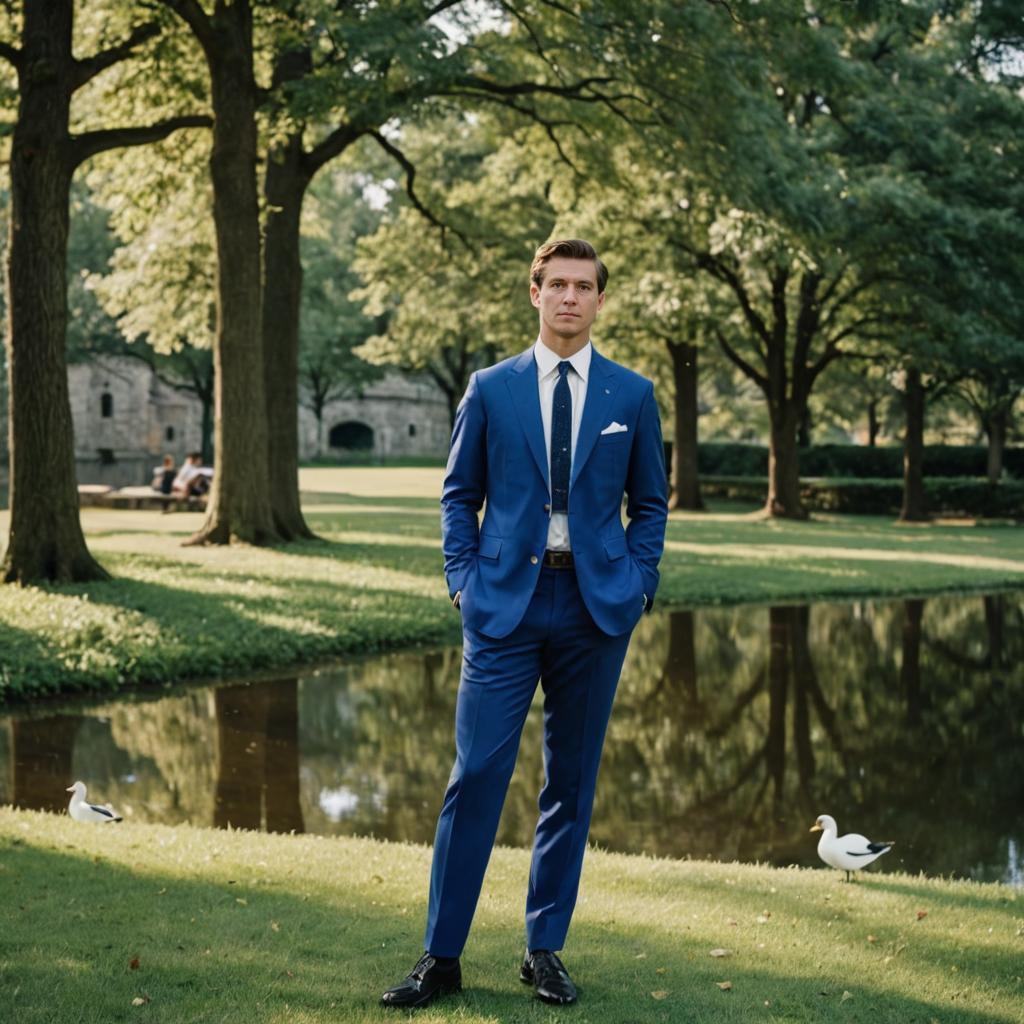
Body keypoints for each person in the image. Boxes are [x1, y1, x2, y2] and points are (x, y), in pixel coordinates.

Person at [381, 239, 668, 1009]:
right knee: (474, 777)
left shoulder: (633, 395)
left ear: (600, 300)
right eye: (558, 285)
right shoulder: (490, 387)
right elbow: (457, 494)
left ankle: (544, 951)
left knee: (569, 786)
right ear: (534, 293)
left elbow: (651, 505)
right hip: (502, 606)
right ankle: (441, 957)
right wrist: (462, 583)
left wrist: (640, 586)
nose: (571, 297)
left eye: (585, 286)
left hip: (595, 609)